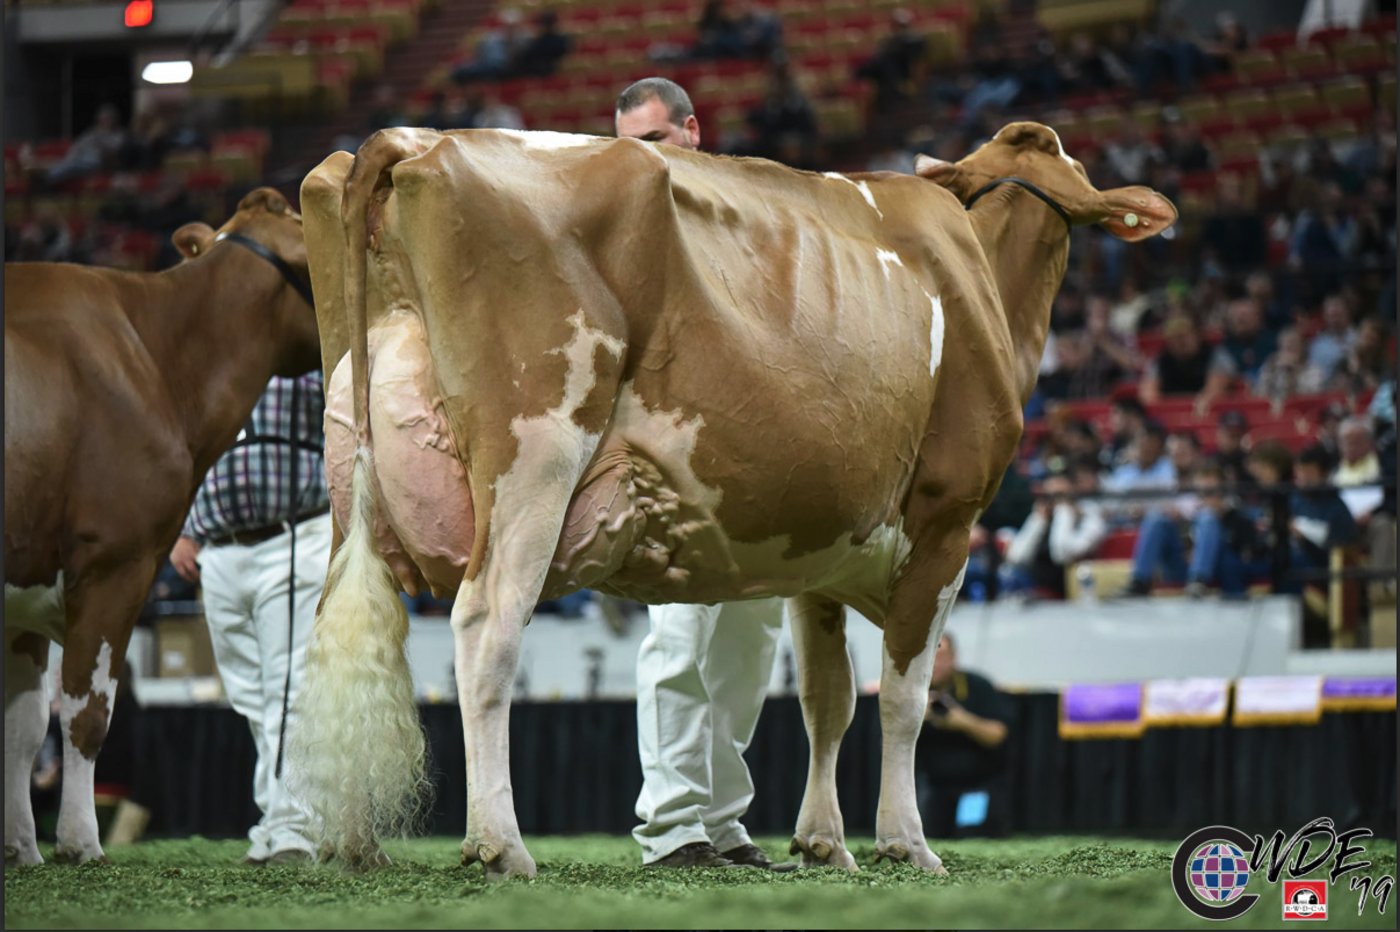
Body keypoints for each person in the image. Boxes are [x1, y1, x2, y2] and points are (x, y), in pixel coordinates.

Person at [614, 77, 792, 872]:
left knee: (751, 647)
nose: (640, 162)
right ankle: (671, 827)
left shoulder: (750, 209)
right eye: (626, 149)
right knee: (679, 636)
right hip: (673, 454)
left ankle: (724, 823)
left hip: (758, 453)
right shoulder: (626, 233)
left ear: (691, 130)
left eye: (653, 141)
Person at [169, 373, 331, 865]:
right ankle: (279, 822)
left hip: (294, 532)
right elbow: (181, 445)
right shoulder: (207, 354)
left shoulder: (304, 352)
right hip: (217, 547)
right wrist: (183, 527)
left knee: (290, 688)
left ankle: (294, 831)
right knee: (250, 697)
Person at [916, 633, 1012, 839]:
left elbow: (998, 735)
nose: (934, 664)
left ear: (953, 658)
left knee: (972, 836)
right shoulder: (913, 692)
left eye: (940, 656)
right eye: (927, 656)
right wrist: (913, 721)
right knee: (926, 838)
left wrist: (963, 722)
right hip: (934, 788)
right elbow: (886, 747)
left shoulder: (976, 685)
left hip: (974, 787)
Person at [1000, 459, 1107, 600]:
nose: (1054, 502)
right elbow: (1016, 557)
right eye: (1049, 497)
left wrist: (1064, 513)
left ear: (1072, 491)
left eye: (1060, 496)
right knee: (1008, 575)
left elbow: (1061, 554)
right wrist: (1038, 522)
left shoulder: (1089, 514)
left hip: (1073, 590)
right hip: (1036, 591)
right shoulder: (1042, 517)